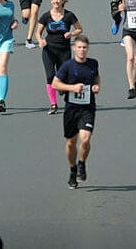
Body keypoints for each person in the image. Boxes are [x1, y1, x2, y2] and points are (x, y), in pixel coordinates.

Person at [52, 36, 101, 190]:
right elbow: (55, 84)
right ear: (74, 48)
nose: (82, 50)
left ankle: (82, 163)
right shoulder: (67, 66)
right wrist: (72, 88)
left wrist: (96, 86)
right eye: (79, 47)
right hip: (71, 108)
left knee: (85, 139)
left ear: (88, 48)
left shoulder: (93, 63)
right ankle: (73, 170)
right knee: (71, 143)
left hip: (88, 107)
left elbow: (97, 77)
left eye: (84, 47)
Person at [37, 0, 82, 115]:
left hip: (64, 50)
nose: (56, 1)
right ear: (51, 1)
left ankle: (62, 88)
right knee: (50, 76)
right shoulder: (46, 16)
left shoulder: (69, 15)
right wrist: (40, 41)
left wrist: (71, 34)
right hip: (49, 50)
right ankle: (53, 104)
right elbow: (38, 32)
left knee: (63, 76)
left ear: (62, 1)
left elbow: (79, 29)